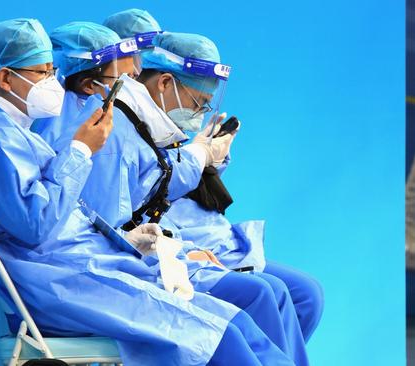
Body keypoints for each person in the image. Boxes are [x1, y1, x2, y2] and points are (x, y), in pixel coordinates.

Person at [0, 18, 295, 365]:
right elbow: (35, 224)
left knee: (238, 323)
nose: (54, 81)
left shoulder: (14, 131)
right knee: (217, 337)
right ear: (5, 77)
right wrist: (80, 150)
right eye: (45, 72)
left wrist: (124, 238)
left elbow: (65, 209)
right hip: (60, 280)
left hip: (86, 264)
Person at [44, 29, 308, 365]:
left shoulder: (120, 128)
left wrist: (204, 159)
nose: (137, 76)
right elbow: (85, 221)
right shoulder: (97, 133)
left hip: (138, 255)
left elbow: (146, 195)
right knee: (253, 306)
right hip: (100, 274)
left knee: (288, 299)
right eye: (128, 71)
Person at [105, 8, 325, 344]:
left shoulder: (153, 120)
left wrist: (206, 158)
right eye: (137, 56)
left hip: (196, 240)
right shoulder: (108, 125)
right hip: (160, 252)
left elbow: (161, 183)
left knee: (306, 295)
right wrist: (197, 157)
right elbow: (130, 208)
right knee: (266, 295)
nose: (140, 67)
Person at [30, 21, 138, 143]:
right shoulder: (63, 137)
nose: (135, 86)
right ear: (89, 85)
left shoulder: (115, 122)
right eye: (123, 80)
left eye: (133, 77)